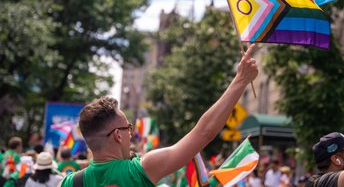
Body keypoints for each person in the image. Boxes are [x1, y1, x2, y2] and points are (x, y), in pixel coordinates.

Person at [59, 44, 259, 186]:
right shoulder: (141, 169)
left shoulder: (68, 183)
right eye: (128, 128)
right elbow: (204, 132)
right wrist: (240, 80)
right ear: (118, 135)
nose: (131, 134)